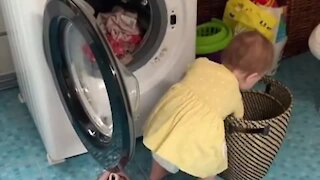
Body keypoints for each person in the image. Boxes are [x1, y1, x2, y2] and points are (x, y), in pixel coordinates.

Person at [143, 31, 274, 180]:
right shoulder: (235, 96)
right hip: (197, 138)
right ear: (252, 77)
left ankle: (154, 177)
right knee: (209, 164)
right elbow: (239, 121)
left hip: (168, 122)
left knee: (162, 155)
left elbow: (185, 76)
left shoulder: (201, 63)